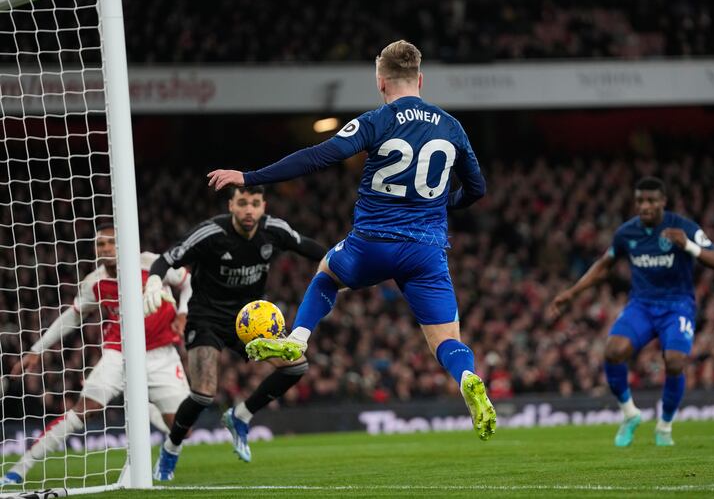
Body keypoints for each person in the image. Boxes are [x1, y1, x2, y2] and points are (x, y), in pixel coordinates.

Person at [207, 40, 496, 441]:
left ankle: (297, 339)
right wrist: (448, 202)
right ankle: (467, 376)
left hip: (372, 242)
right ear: (421, 79)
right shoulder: (451, 126)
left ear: (380, 81)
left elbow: (317, 157)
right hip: (426, 251)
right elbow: (477, 188)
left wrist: (249, 176)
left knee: (326, 275)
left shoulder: (377, 120)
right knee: (446, 340)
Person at [147, 185, 327, 481]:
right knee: (204, 394)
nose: (248, 210)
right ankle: (171, 448)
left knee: (297, 366)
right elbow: (167, 258)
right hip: (207, 318)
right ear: (231, 205)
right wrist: (154, 280)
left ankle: (240, 415)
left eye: (254, 204)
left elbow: (308, 246)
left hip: (248, 322)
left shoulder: (273, 231)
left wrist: (345, 265)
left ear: (263, 206)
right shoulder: (210, 233)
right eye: (242, 203)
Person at [0, 224, 191, 486]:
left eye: (112, 242)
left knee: (183, 428)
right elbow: (72, 317)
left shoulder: (151, 263)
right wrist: (37, 350)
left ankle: (143, 405)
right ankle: (20, 468)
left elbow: (189, 281)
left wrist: (183, 312)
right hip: (118, 352)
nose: (107, 248)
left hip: (161, 353)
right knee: (83, 411)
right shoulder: (94, 282)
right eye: (101, 244)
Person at [547, 176, 714, 447]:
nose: (645, 206)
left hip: (677, 305)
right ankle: (630, 415)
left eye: (651, 200)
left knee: (675, 361)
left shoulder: (683, 227)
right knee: (612, 351)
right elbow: (603, 266)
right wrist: (572, 293)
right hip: (641, 305)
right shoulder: (626, 233)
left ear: (663, 202)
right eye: (640, 200)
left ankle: (664, 427)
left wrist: (688, 245)